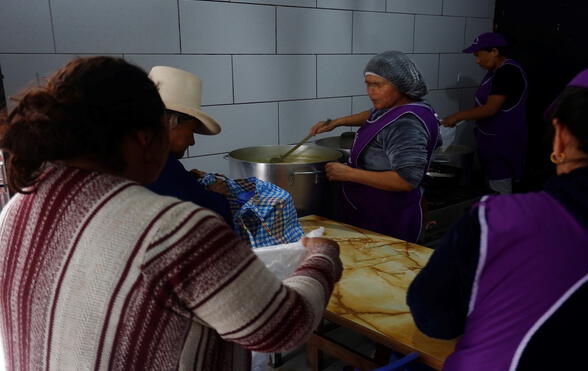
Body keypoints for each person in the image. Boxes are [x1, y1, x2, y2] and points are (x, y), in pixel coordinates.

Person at [0, 56, 343, 370]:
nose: (188, 144)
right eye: (181, 131)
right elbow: (282, 327)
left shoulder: (18, 207)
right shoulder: (175, 229)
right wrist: (321, 258)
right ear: (147, 137)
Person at [407, 43, 588, 370]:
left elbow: (433, 316)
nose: (476, 59)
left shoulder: (499, 221)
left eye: (478, 53)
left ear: (560, 138)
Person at [309, 50, 440, 242]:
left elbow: (406, 180)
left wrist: (348, 173)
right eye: (368, 84)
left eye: (378, 85)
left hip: (390, 220)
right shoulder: (400, 107)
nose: (371, 91)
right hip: (373, 214)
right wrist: (337, 122)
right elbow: (374, 115)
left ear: (401, 85)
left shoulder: (407, 124)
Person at [441, 32, 528, 194]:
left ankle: (501, 218)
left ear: (494, 51)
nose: (477, 61)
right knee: (492, 185)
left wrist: (456, 116)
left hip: (503, 141)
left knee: (500, 189)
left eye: (479, 55)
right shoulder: (495, 71)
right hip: (491, 139)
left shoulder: (507, 72)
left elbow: (490, 109)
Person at [146, 66, 233, 225]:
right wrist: (217, 194)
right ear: (171, 122)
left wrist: (187, 179)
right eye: (192, 130)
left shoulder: (144, 156)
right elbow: (214, 215)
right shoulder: (161, 164)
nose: (192, 141)